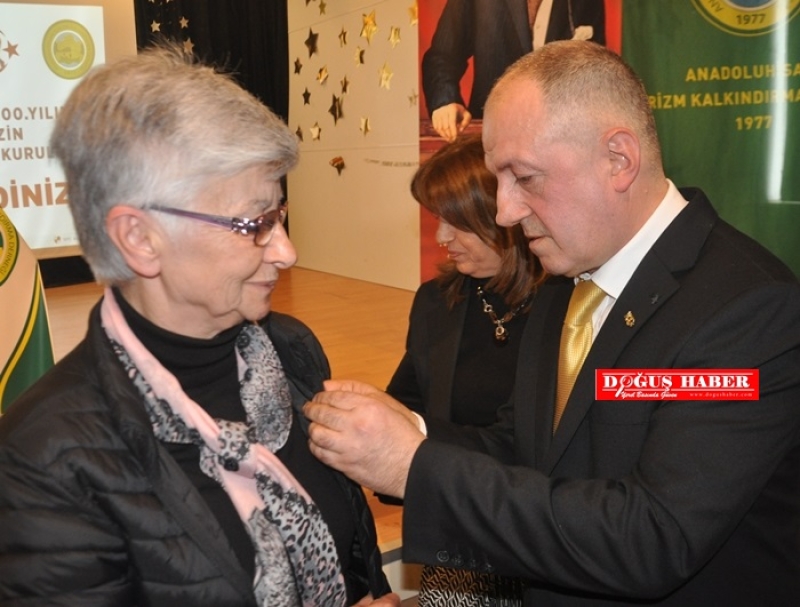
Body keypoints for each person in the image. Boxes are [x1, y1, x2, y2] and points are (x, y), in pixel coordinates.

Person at [305, 40, 800, 605]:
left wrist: (415, 468)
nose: (504, 212)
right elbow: (526, 446)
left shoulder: (744, 311)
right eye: (499, 180)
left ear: (619, 159)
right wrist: (408, 433)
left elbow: (652, 537)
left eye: (525, 178)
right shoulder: (565, 284)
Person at [0, 43, 399, 607]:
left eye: (280, 214)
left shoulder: (289, 349)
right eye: (254, 223)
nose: (286, 251)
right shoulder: (43, 458)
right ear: (139, 239)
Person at [385, 134, 544, 605]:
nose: (441, 238)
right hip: (462, 530)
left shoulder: (568, 307)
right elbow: (407, 401)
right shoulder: (437, 302)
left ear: (508, 217)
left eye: (457, 224)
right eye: (438, 220)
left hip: (542, 529)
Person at [423, 0, 605, 141]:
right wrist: (445, 101)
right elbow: (442, 56)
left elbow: (595, 71)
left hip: (559, 141)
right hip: (490, 138)